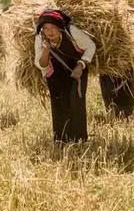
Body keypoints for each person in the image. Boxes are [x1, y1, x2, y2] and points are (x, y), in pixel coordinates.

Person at [34, 10, 96, 144]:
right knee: (58, 104)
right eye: (46, 28)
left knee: (76, 102)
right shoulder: (40, 38)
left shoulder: (72, 32)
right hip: (55, 73)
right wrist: (45, 50)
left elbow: (91, 46)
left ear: (60, 28)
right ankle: (61, 140)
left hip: (77, 69)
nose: (49, 32)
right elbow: (41, 64)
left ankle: (79, 140)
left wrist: (81, 65)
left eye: (53, 28)